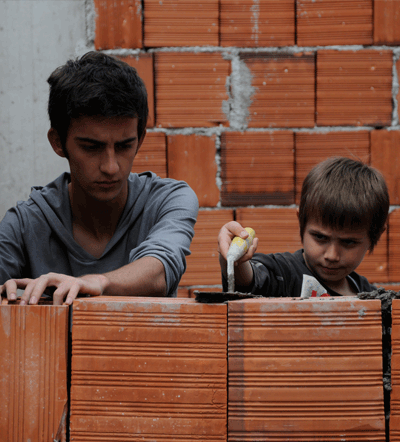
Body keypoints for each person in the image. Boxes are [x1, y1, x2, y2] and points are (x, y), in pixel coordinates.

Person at [0, 51, 198, 305]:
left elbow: (160, 269)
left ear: (140, 140)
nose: (111, 167)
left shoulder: (167, 201)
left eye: (125, 146)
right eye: (92, 147)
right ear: (58, 143)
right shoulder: (23, 225)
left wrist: (97, 283)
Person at [218, 157, 389, 298]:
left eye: (349, 242)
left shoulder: (371, 296)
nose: (331, 255)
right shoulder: (283, 273)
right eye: (320, 237)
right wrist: (233, 259)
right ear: (301, 221)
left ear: (375, 236)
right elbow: (251, 279)